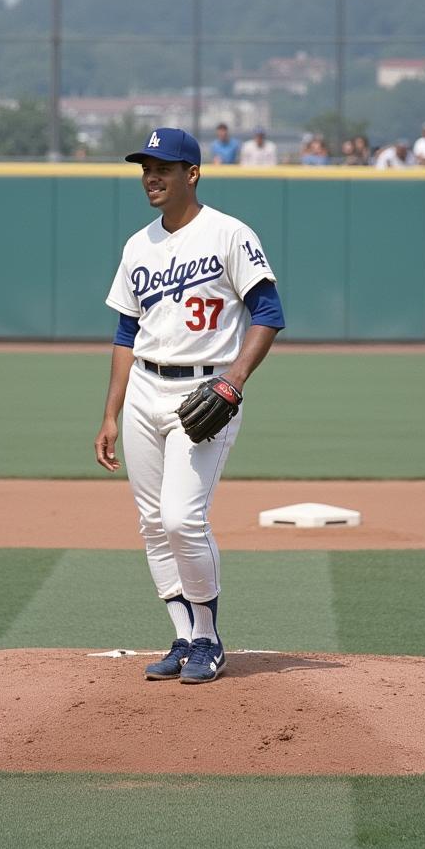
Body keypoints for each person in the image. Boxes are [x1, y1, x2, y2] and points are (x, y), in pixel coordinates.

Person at [94, 127, 284, 685]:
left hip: (204, 392)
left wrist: (236, 379)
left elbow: (268, 314)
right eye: (144, 167)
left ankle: (208, 636)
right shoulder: (138, 245)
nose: (151, 177)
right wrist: (111, 411)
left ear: (192, 174)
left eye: (163, 168)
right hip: (144, 391)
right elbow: (126, 332)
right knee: (153, 523)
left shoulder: (229, 234)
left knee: (182, 517)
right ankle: (182, 634)